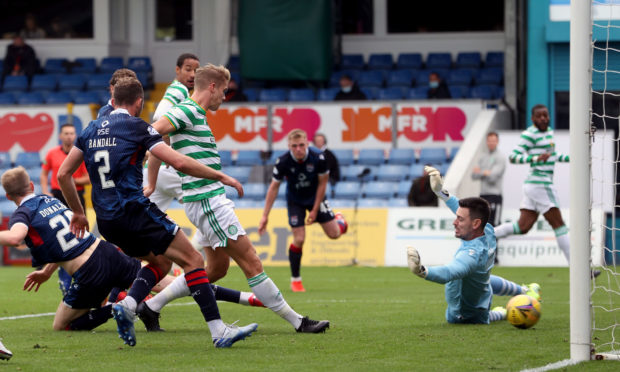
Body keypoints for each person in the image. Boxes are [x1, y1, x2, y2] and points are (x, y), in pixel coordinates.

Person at [58, 77, 258, 348]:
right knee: (193, 260)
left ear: (113, 100)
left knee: (162, 263)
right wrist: (220, 176)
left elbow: (63, 174)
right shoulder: (137, 127)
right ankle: (219, 331)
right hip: (134, 212)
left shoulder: (90, 129)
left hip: (106, 221)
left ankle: (129, 303)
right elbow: (178, 161)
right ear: (139, 102)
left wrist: (78, 213)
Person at [144, 64, 330, 333]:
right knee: (252, 262)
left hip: (204, 200)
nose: (224, 96)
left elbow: (156, 140)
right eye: (223, 90)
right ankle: (298, 322)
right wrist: (153, 176)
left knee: (215, 269)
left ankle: (151, 307)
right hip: (208, 201)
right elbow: (151, 133)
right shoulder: (186, 109)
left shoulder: (195, 112)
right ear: (212, 87)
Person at [406, 166, 541, 324]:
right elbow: (459, 206)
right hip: (482, 293)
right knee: (485, 279)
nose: (455, 222)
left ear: (475, 223)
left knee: (487, 310)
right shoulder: (487, 230)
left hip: (464, 315)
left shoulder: (471, 255)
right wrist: (440, 192)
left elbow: (449, 272)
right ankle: (525, 291)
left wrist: (422, 271)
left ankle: (502, 313)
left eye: (460, 220)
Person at [492, 104, 599, 276]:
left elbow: (553, 157)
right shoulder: (529, 134)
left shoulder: (549, 132)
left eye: (545, 115)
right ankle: (580, 271)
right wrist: (535, 158)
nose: (543, 118)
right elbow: (514, 157)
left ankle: (484, 234)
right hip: (540, 183)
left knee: (522, 227)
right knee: (559, 225)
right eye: (539, 116)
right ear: (532, 118)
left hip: (534, 186)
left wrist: (575, 157)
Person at [260, 129, 348, 292]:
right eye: (294, 146)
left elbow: (323, 184)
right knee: (299, 239)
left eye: (301, 145)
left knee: (334, 234)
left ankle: (340, 221)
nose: (298, 149)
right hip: (295, 201)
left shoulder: (319, 158)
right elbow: (273, 188)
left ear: (307, 144)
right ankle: (296, 280)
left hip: (316, 197)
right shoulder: (283, 161)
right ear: (289, 146)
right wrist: (265, 216)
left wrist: (314, 210)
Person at [40, 123, 90, 296]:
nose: (69, 136)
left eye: (71, 133)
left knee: (78, 234)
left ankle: (75, 272)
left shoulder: (80, 154)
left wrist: (69, 180)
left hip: (76, 197)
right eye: (66, 133)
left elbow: (88, 178)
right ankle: (62, 271)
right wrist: (46, 192)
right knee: (58, 235)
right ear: (60, 136)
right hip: (57, 196)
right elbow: (44, 173)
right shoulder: (52, 153)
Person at [471, 132, 505, 227]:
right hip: (483, 195)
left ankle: (495, 242)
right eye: (489, 141)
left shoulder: (500, 157)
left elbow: (492, 178)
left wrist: (481, 172)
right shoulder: (483, 156)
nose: (491, 143)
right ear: (486, 142)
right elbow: (473, 175)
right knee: (482, 224)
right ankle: (485, 242)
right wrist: (485, 172)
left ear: (497, 142)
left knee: (495, 224)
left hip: (494, 195)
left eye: (493, 141)